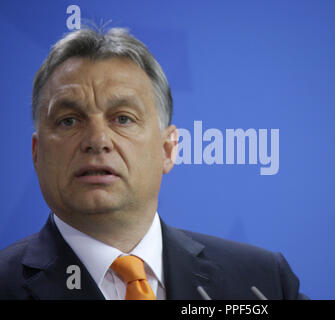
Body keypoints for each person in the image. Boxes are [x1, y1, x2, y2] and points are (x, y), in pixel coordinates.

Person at [0, 27, 307, 300]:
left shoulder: (263, 284)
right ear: (37, 154)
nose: (97, 140)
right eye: (68, 121)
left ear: (167, 149)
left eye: (123, 118)